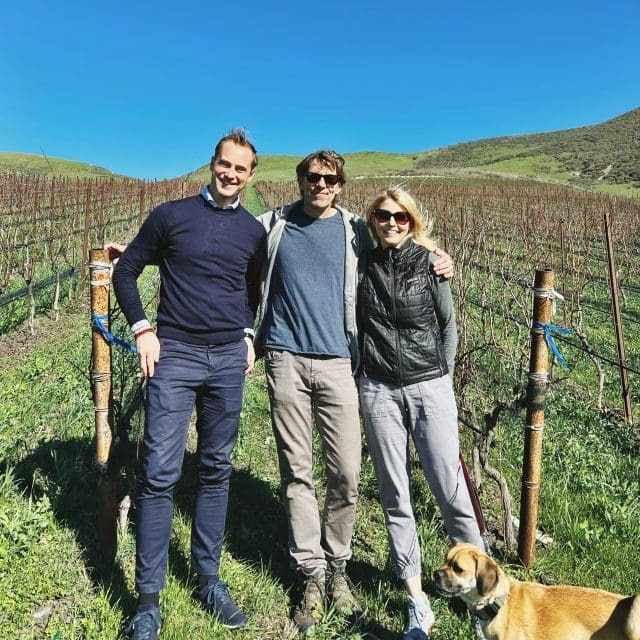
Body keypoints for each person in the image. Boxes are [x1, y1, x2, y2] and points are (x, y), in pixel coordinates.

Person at [254, 153, 453, 633]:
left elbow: (399, 238)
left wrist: (439, 256)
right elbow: (218, 238)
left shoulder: (354, 230)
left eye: (330, 178)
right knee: (297, 472)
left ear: (341, 185)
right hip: (285, 359)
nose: (320, 184)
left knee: (345, 472)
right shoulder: (272, 225)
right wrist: (142, 250)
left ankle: (338, 564)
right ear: (300, 180)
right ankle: (311, 573)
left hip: (342, 362)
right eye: (313, 176)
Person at [111, 129, 267, 640]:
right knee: (160, 473)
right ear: (212, 163)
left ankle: (207, 580)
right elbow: (126, 271)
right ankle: (147, 603)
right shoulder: (171, 215)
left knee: (216, 470)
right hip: (174, 354)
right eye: (225, 163)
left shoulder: (252, 232)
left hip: (226, 361)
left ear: (251, 176)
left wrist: (247, 335)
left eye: (240, 168)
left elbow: (251, 292)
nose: (230, 174)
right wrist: (142, 329)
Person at [357, 187, 485, 640]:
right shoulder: (362, 263)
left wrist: (442, 378)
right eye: (383, 216)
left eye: (400, 217)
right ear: (372, 221)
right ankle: (417, 601)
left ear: (411, 221)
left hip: (429, 385)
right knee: (395, 494)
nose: (391, 223)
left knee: (451, 489)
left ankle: (481, 592)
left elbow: (448, 325)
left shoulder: (431, 264)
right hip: (378, 389)